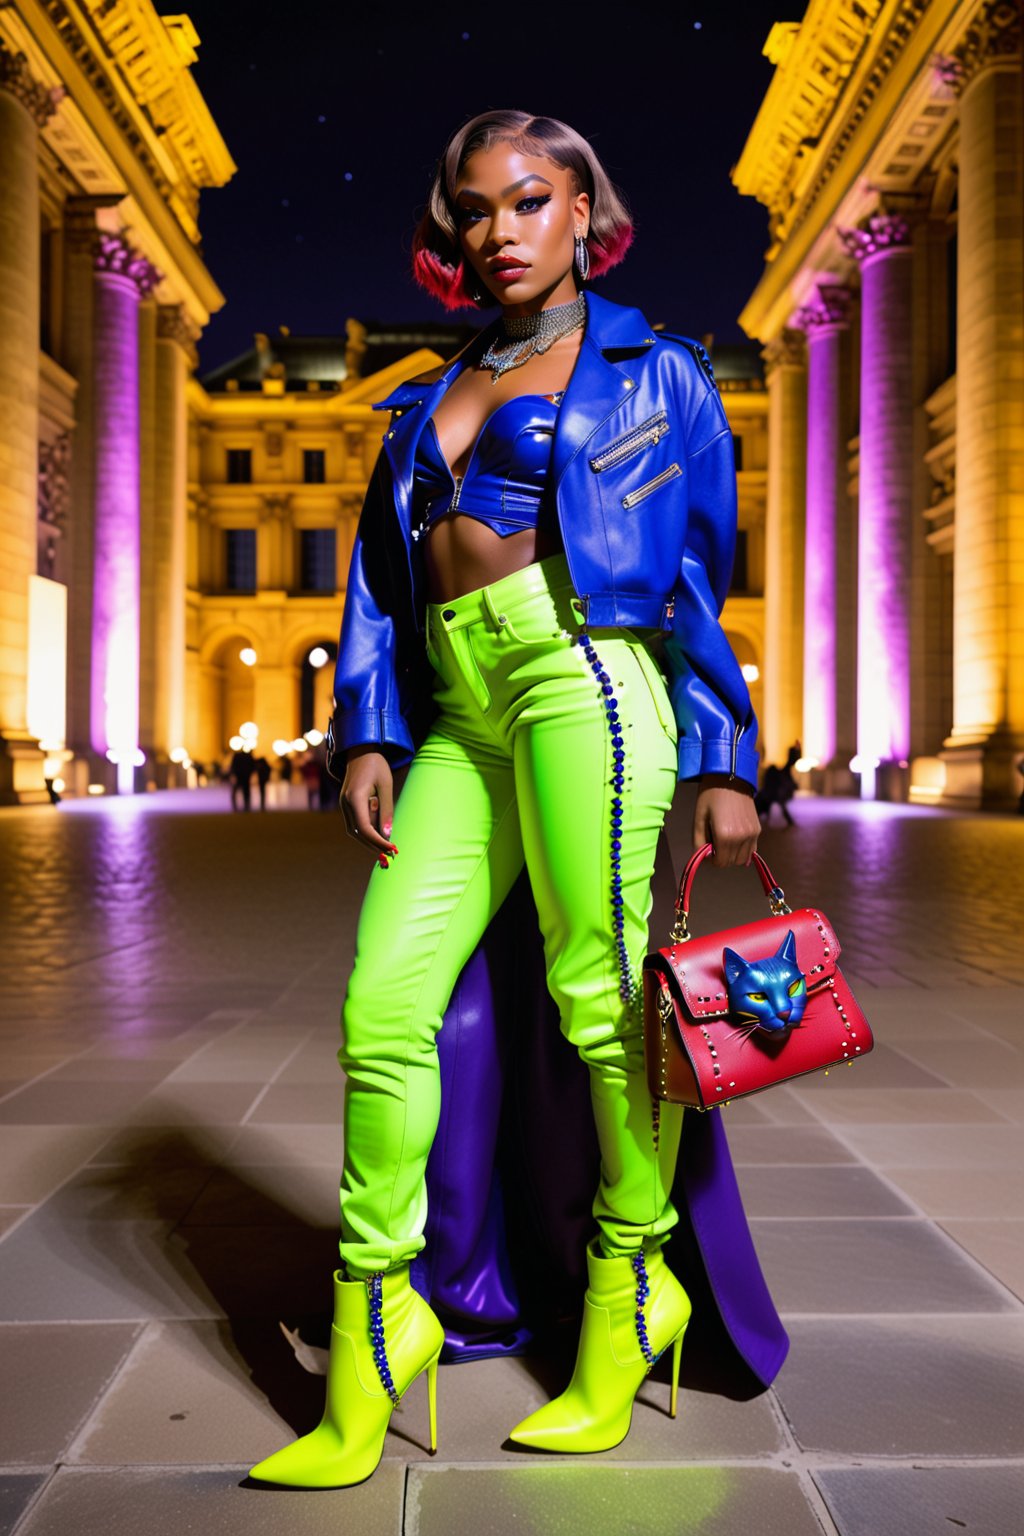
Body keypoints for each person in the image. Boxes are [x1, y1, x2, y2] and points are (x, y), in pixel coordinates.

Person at [249, 109, 767, 1490]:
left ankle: (629, 1291)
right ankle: (377, 1321)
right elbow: (376, 574)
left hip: (584, 675)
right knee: (383, 1006)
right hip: (458, 708)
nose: (500, 231)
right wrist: (368, 729)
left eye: (529, 201)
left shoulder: (659, 372)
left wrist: (723, 753)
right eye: (475, 210)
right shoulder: (428, 390)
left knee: (598, 997)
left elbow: (694, 574)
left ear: (586, 209)